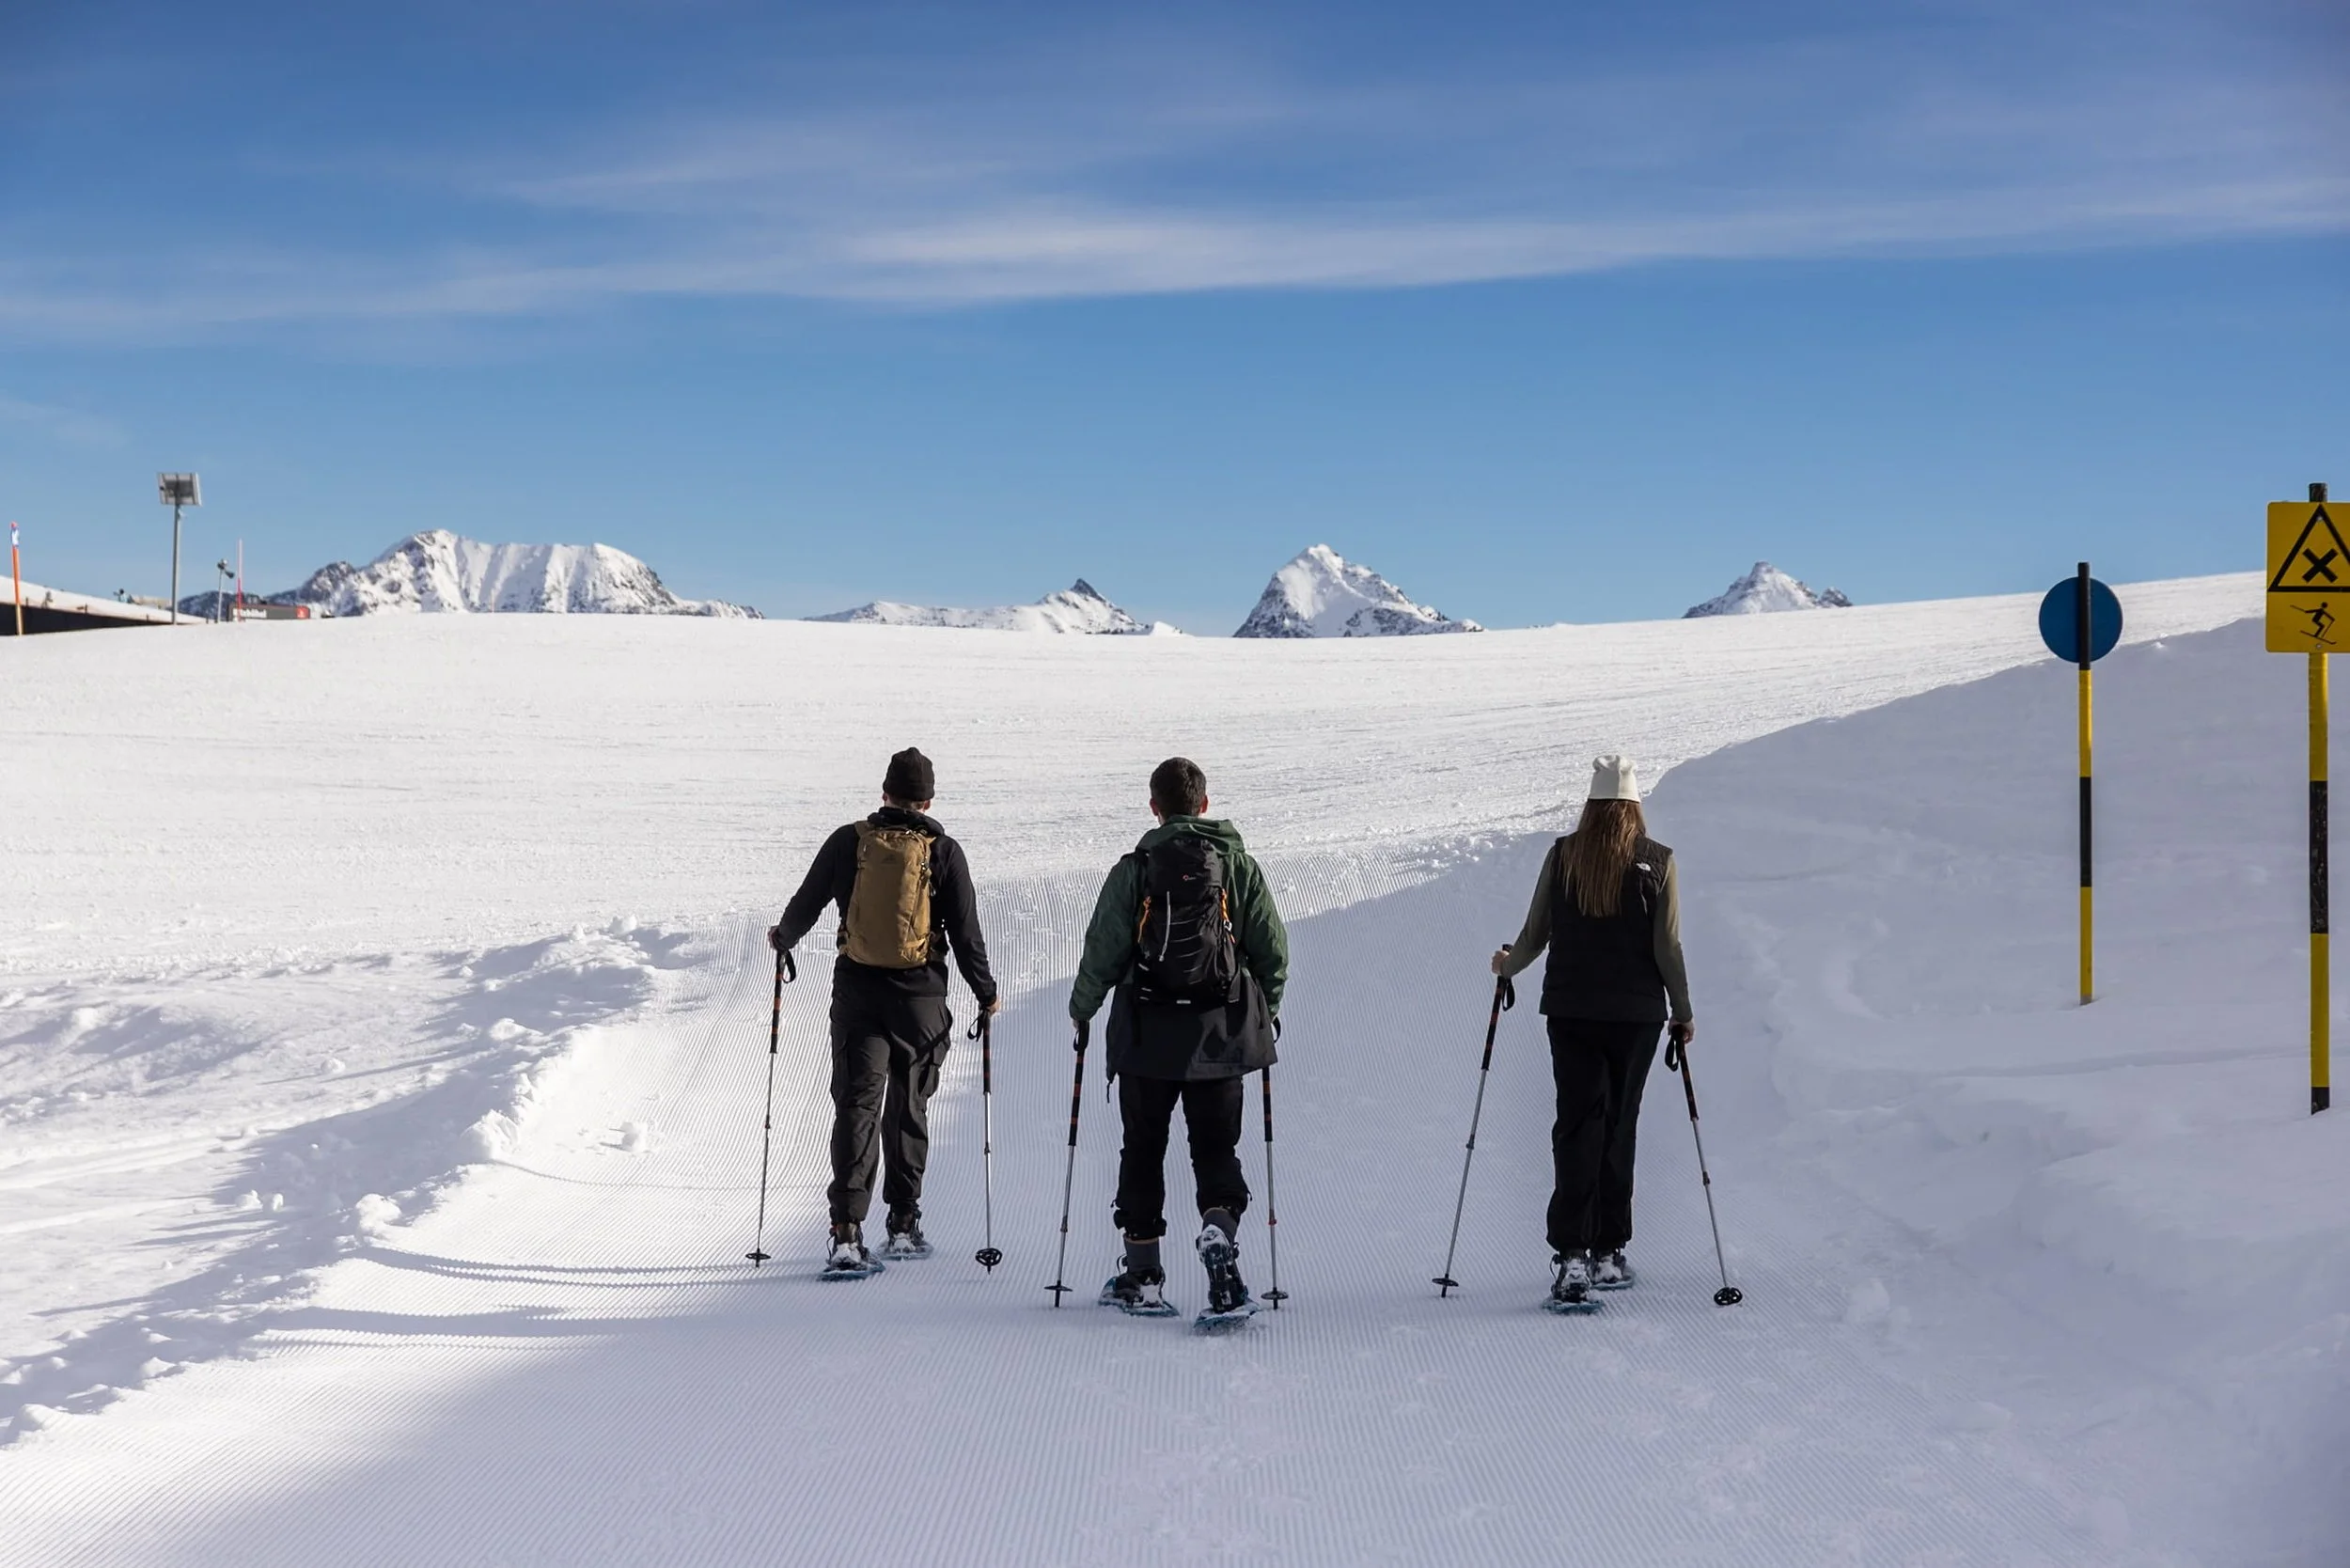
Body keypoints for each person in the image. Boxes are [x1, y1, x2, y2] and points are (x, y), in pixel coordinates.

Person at [1071, 757, 1289, 1318]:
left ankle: (1143, 1279)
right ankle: (1219, 1239)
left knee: (1142, 1150)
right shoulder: (1236, 866)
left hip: (1145, 1035)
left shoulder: (1136, 868)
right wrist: (1265, 1013)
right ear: (1205, 805)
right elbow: (1271, 952)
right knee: (1216, 1148)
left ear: (1154, 807)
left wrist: (1083, 1010)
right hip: (1220, 1038)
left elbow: (1104, 948)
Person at [771, 746, 998, 1277]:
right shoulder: (943, 850)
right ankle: (902, 1224)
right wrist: (985, 993)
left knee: (857, 1107)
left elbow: (805, 904)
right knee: (908, 1109)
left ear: (885, 794)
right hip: (920, 1002)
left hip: (858, 995)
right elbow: (965, 935)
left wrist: (784, 938)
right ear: (928, 799)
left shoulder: (849, 841)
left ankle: (847, 1234)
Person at [1490, 754, 1694, 1309]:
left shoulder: (1564, 856)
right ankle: (1609, 1250)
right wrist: (1683, 1009)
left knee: (1578, 1125)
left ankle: (1571, 1257)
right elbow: (1667, 947)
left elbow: (1534, 934)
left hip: (1573, 1013)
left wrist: (1506, 966)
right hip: (1637, 1017)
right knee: (1620, 1124)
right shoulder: (1659, 862)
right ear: (1633, 805)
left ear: (1591, 803)